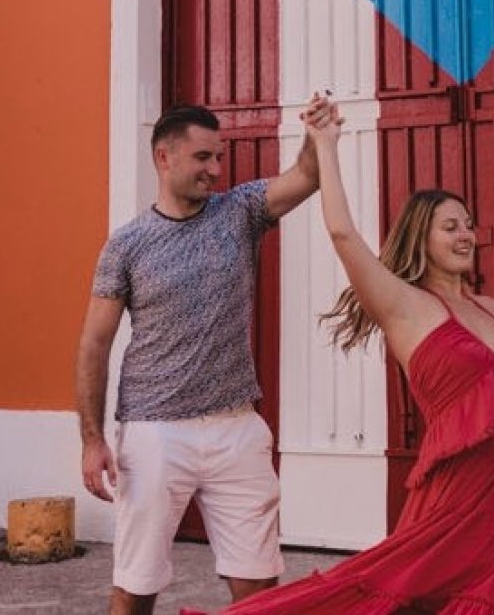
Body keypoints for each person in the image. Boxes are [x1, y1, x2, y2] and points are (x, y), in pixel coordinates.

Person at [181, 105, 494, 614]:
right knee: (395, 594)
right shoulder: (404, 305)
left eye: (469, 226)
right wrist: (325, 144)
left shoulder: (490, 309)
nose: (464, 235)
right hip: (454, 494)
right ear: (421, 238)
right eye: (449, 226)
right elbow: (344, 234)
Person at [76, 95, 336, 615]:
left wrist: (315, 134)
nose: (215, 170)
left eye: (218, 158)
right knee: (136, 585)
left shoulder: (239, 212)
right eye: (203, 158)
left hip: (235, 429)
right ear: (163, 157)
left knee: (258, 588)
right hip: (153, 433)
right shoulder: (126, 245)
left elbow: (306, 178)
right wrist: (92, 439)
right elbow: (94, 344)